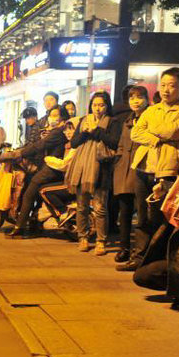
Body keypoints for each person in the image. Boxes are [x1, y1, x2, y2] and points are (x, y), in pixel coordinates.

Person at [128, 67, 179, 265]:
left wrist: (151, 130)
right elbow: (135, 133)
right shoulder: (152, 109)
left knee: (163, 217)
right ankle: (139, 257)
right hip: (143, 168)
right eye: (163, 85)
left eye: (172, 86)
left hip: (169, 169)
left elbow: (173, 132)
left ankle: (158, 260)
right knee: (142, 217)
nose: (166, 90)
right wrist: (155, 139)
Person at [66, 91, 119, 255]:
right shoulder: (83, 120)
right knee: (81, 206)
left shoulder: (112, 122)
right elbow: (74, 143)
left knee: (100, 208)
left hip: (101, 169)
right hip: (82, 169)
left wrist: (96, 131)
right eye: (95, 105)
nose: (98, 108)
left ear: (107, 106)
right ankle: (83, 237)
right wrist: (84, 133)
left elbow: (114, 142)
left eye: (101, 105)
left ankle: (101, 241)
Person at [6, 105, 71, 238]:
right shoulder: (53, 131)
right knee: (35, 195)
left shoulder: (57, 132)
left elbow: (38, 146)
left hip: (51, 169)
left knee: (28, 194)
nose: (52, 118)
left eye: (55, 115)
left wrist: (20, 153)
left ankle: (20, 227)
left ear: (62, 118)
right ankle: (35, 224)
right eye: (51, 115)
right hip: (47, 167)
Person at [112, 85, 150, 264]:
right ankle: (124, 248)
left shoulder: (150, 118)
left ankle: (141, 250)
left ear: (147, 99)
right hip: (124, 168)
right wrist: (119, 159)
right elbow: (121, 143)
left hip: (142, 168)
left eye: (139, 97)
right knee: (125, 211)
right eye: (132, 97)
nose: (136, 100)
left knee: (143, 213)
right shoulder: (128, 120)